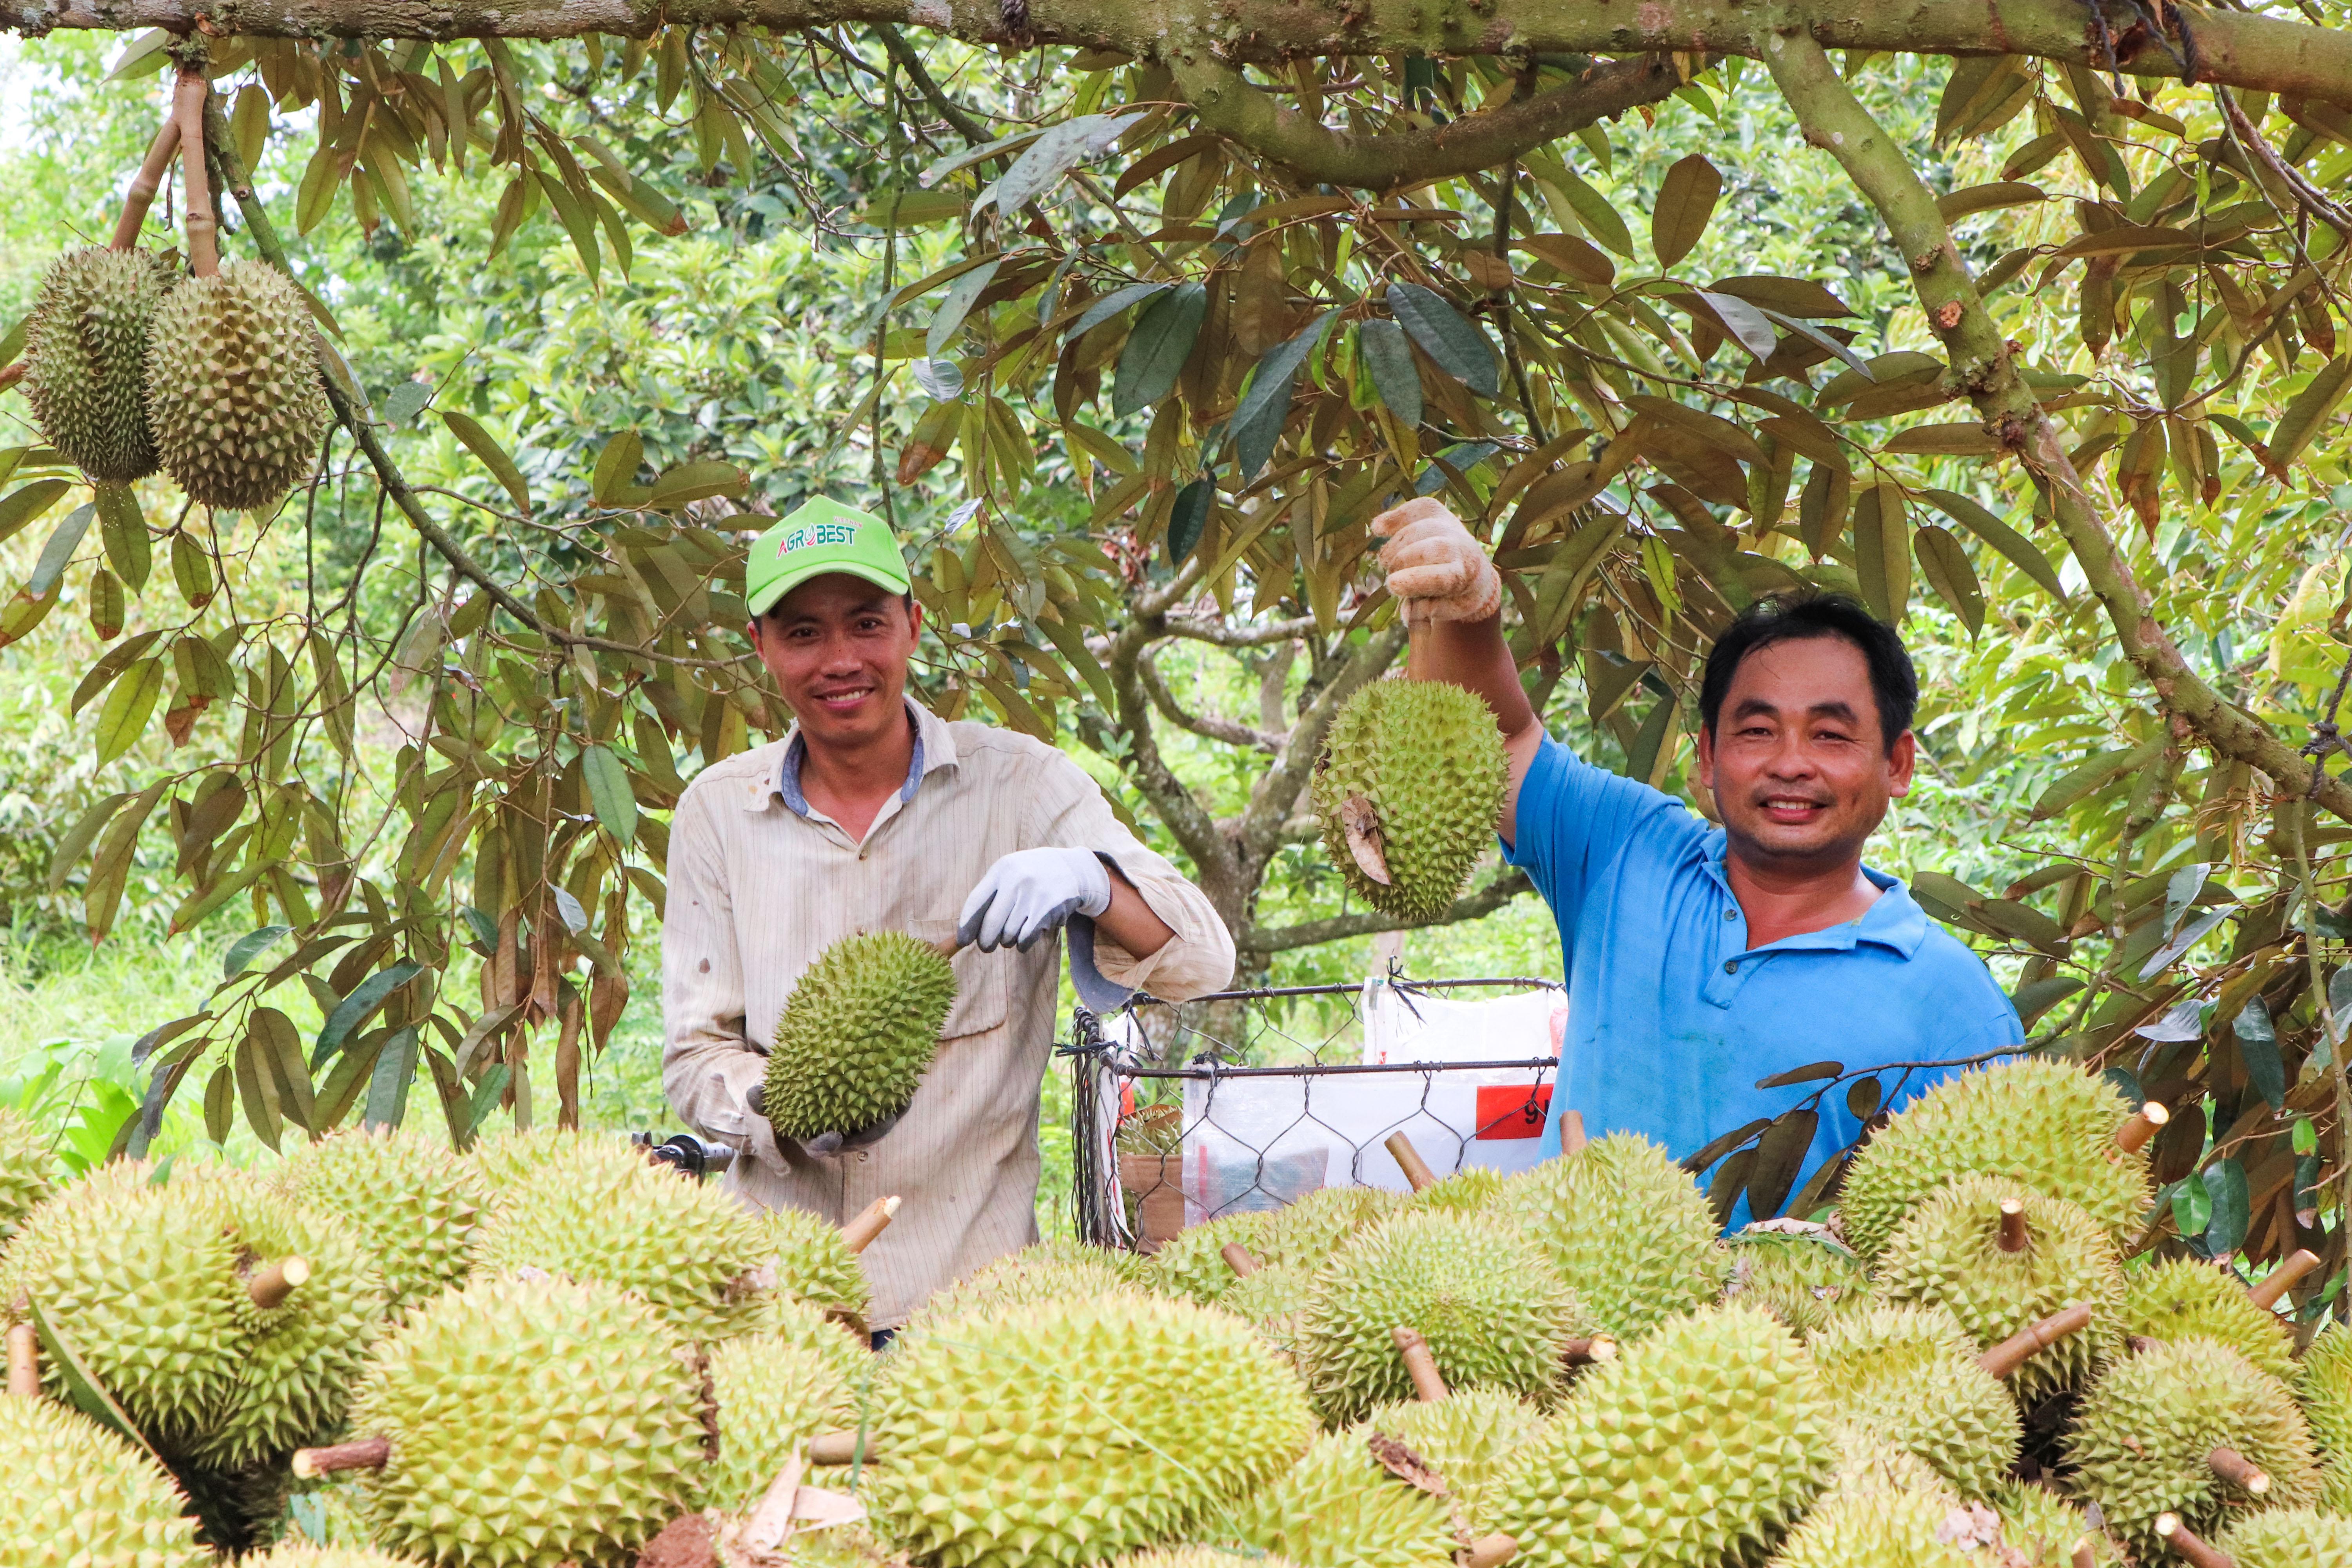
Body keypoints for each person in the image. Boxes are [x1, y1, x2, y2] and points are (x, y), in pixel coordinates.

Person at [662, 498, 1235, 1335]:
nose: (841, 659)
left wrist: (1092, 879)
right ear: (761, 647)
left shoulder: (1023, 787)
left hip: (976, 1305)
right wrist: (785, 1110)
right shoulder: (717, 813)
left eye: (866, 623)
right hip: (784, 1305)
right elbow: (694, 1056)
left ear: (912, 625)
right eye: (803, 633)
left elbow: (1203, 961)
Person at [1376, 497, 2021, 1222]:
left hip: (1787, 1334)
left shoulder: (1956, 1007)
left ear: (1897, 765)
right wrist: (1469, 611)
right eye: (1756, 731)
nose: (1790, 764)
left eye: (1831, 737)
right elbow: (1502, 744)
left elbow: (1982, 1236)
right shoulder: (1627, 854)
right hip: (1550, 1324)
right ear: (1710, 757)